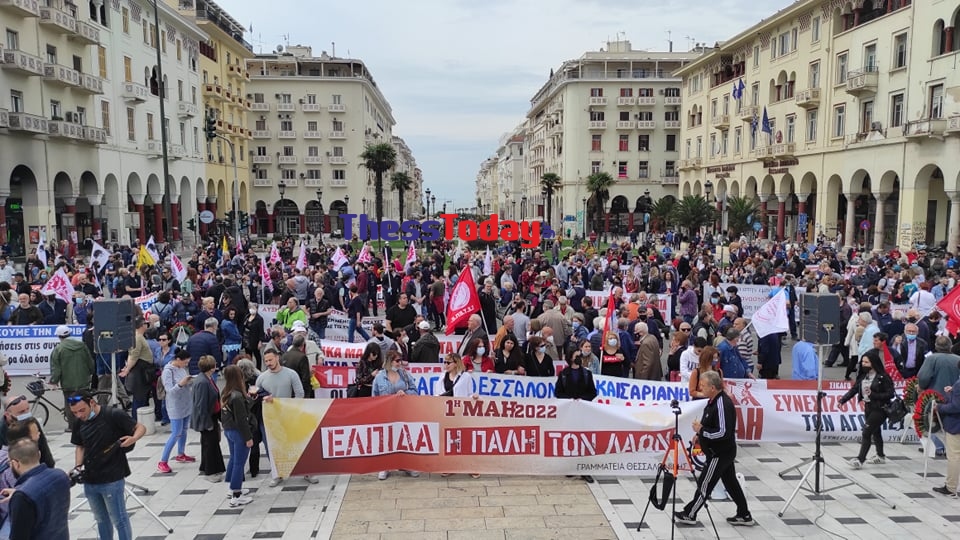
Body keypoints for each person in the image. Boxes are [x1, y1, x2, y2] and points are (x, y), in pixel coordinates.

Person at [674, 370, 755, 527]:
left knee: (705, 483)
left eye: (703, 386)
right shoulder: (713, 401)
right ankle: (744, 515)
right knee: (731, 483)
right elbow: (711, 424)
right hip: (721, 451)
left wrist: (701, 431)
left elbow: (723, 432)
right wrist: (700, 434)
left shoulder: (722, 404)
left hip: (719, 452)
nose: (700, 388)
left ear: (712, 387)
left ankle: (690, 514)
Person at [69, 390, 146, 540]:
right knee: (101, 520)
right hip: (90, 478)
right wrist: (78, 466)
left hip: (112, 477)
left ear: (92, 402)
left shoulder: (113, 414)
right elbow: (79, 446)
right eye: (75, 412)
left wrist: (133, 438)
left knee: (119, 519)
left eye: (82, 410)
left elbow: (140, 427)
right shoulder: (79, 421)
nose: (79, 415)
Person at [255, 350, 316, 487]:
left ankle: (307, 471)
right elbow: (255, 396)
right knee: (272, 446)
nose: (268, 363)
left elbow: (300, 394)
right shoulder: (262, 378)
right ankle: (277, 474)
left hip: (289, 416)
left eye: (270, 360)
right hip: (271, 420)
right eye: (266, 361)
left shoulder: (290, 374)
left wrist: (290, 408)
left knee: (299, 443)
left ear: (277, 358)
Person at [0, 438, 70, 540]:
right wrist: (19, 492)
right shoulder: (60, 475)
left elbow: (18, 536)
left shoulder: (23, 497)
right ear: (39, 454)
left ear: (15, 463)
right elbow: (44, 496)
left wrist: (20, 495)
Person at [839, 349, 894, 469]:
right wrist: (843, 400)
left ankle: (860, 459)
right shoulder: (863, 375)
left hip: (880, 408)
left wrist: (874, 395)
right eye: (862, 362)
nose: (863, 364)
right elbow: (854, 389)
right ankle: (880, 456)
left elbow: (890, 394)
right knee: (875, 431)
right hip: (868, 407)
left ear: (873, 363)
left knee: (866, 432)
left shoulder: (883, 377)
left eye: (866, 362)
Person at [372, 351, 418, 481]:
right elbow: (374, 397)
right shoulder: (379, 377)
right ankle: (384, 466)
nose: (400, 363)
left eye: (400, 360)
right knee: (386, 438)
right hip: (385, 413)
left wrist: (406, 392)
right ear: (389, 361)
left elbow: (415, 391)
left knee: (405, 437)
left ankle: (406, 465)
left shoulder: (404, 374)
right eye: (397, 360)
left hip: (403, 412)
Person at [220, 365, 255, 507]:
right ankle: (236, 495)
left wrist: (251, 399)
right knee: (239, 462)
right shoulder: (237, 396)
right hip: (239, 432)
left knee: (234, 459)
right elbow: (242, 419)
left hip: (228, 430)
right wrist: (248, 437)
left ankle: (233, 487)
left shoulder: (226, 392)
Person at [48, 324, 94, 432]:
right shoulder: (82, 345)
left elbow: (56, 368)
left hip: (69, 384)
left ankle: (73, 427)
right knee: (84, 402)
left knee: (71, 404)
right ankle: (88, 422)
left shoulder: (58, 349)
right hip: (84, 381)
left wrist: (54, 381)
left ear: (59, 336)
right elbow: (90, 361)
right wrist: (91, 373)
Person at [156, 350, 194, 474]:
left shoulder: (182, 369)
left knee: (183, 430)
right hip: (175, 406)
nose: (186, 365)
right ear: (178, 359)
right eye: (185, 362)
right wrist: (181, 384)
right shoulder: (168, 371)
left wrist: (190, 382)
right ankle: (163, 461)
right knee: (176, 433)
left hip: (186, 403)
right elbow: (170, 391)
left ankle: (181, 453)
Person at [190, 355, 226, 482]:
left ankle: (207, 467)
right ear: (211, 367)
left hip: (212, 415)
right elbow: (201, 405)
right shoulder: (202, 382)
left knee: (210, 443)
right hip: (206, 418)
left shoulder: (206, 379)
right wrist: (207, 423)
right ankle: (210, 472)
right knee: (210, 444)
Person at [932, 365, 960, 496]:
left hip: (956, 424)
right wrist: (953, 391)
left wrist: (940, 407)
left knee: (954, 456)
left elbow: (956, 407)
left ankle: (951, 487)